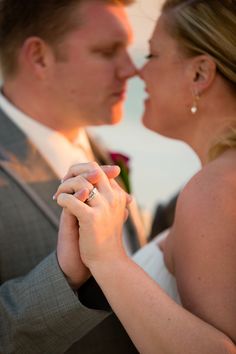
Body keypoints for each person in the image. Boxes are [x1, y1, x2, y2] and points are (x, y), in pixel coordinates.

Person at [56, 0, 236, 353]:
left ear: (200, 74)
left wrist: (107, 258)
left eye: (152, 56)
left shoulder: (215, 188)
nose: (139, 72)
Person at [0, 0, 144, 353]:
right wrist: (65, 276)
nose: (130, 69)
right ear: (39, 57)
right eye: (108, 51)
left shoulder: (103, 155)